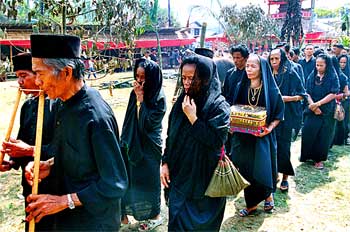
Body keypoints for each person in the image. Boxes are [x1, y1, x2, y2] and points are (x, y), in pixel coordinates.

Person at [24, 34, 128, 231]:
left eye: (40, 74)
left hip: (94, 222)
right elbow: (79, 153)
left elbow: (115, 183)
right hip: (69, 220)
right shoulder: (62, 104)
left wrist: (65, 201)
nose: (36, 82)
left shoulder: (96, 117)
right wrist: (50, 164)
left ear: (66, 73)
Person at [161, 54, 230, 231]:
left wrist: (193, 117)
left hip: (204, 181)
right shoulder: (182, 102)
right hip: (179, 176)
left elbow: (216, 140)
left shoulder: (218, 106)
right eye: (183, 77)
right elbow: (171, 135)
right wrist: (165, 162)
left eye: (192, 78)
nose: (186, 82)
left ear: (205, 78)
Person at [1, 53, 57, 232]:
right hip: (29, 183)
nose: (19, 82)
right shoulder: (27, 106)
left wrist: (30, 151)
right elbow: (22, 141)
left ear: (39, 75)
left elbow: (63, 150)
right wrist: (11, 161)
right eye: (17, 76)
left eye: (24, 75)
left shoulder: (57, 105)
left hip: (54, 185)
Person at [229, 54, 284, 216]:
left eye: (253, 66)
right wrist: (232, 126)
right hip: (243, 138)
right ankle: (252, 203)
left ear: (262, 69)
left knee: (262, 169)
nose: (249, 69)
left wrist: (269, 128)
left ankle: (267, 196)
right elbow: (234, 109)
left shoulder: (272, 90)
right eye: (247, 66)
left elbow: (279, 115)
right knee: (246, 169)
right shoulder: (241, 86)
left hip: (262, 138)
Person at [120, 58, 166, 231]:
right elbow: (129, 119)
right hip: (131, 142)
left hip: (149, 146)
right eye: (137, 76)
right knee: (130, 178)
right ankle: (124, 214)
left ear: (152, 78)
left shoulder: (158, 97)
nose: (140, 81)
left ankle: (155, 216)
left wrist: (141, 99)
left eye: (144, 77)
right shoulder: (135, 92)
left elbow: (147, 125)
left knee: (148, 181)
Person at [268, 49, 306, 192]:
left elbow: (302, 95)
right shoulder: (268, 74)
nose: (274, 62)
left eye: (276, 58)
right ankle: (274, 174)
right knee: (273, 147)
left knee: (284, 148)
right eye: (271, 59)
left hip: (288, 116)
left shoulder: (291, 73)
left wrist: (286, 99)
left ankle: (285, 178)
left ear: (282, 59)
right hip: (271, 116)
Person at [300, 54, 339, 169]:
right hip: (312, 109)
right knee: (308, 131)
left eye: (321, 65)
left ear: (327, 65)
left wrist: (319, 104)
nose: (318, 67)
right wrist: (313, 105)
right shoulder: (312, 76)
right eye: (317, 65)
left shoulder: (332, 76)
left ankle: (319, 160)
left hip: (326, 111)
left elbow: (333, 93)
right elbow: (306, 92)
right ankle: (306, 156)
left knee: (323, 136)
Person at [331, 56, 349, 145]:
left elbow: (346, 93)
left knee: (339, 121)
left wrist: (338, 96)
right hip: (336, 101)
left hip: (339, 102)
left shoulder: (341, 77)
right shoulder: (341, 76)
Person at [339, 54, 350, 144]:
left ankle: (345, 137)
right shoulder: (335, 73)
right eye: (341, 62)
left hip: (347, 100)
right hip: (337, 99)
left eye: (344, 63)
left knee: (345, 119)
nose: (342, 64)